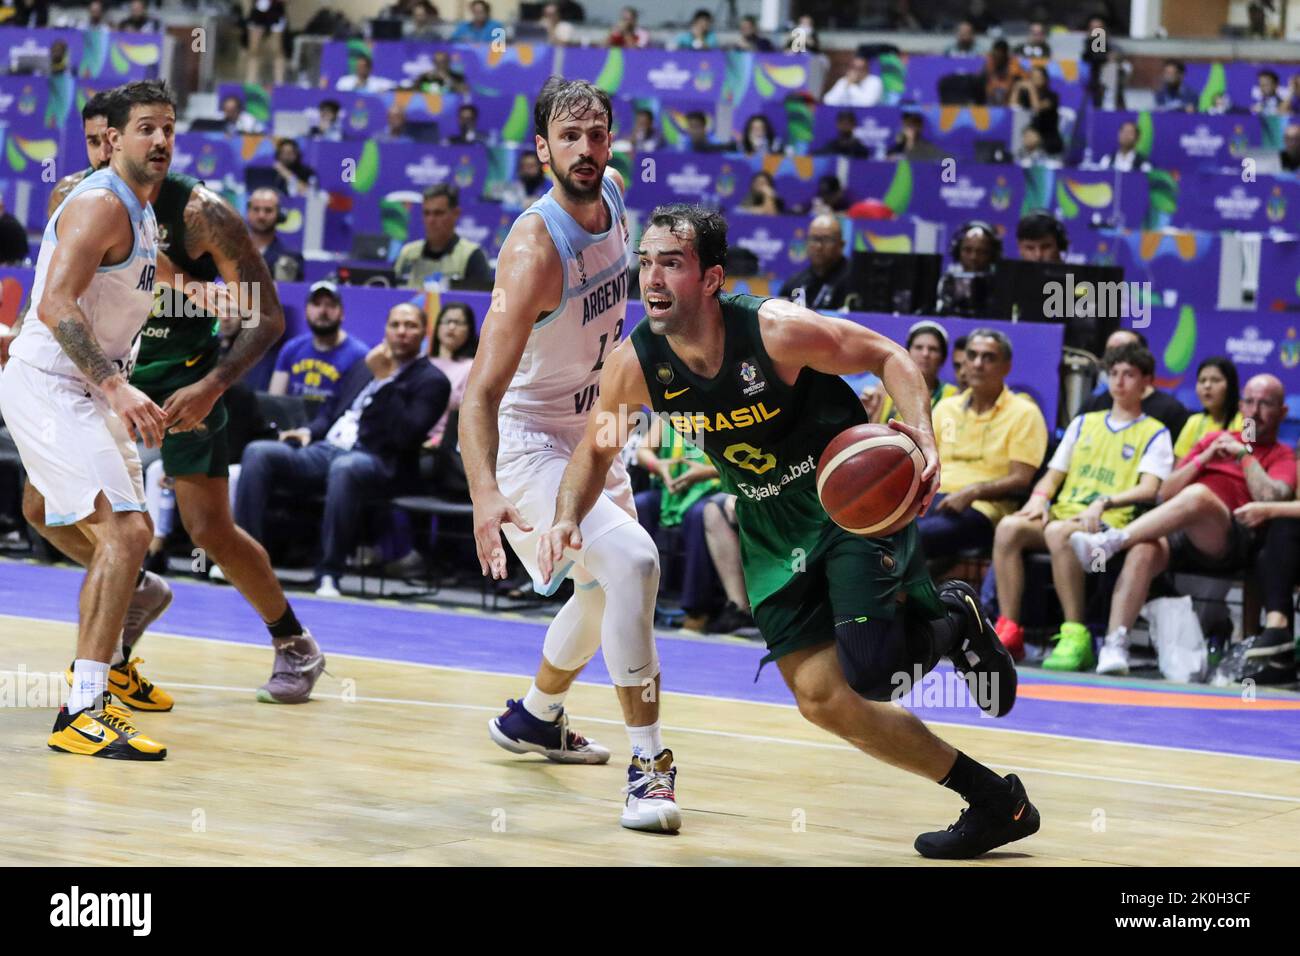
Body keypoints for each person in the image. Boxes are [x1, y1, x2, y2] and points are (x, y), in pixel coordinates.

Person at [539, 203, 1037, 858]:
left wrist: (922, 431)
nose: (653, 280)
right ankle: (997, 801)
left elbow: (888, 356)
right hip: (771, 527)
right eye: (646, 264)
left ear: (712, 278)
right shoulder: (637, 366)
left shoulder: (776, 331)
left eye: (672, 264)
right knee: (822, 699)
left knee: (872, 675)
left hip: (849, 504)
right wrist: (567, 516)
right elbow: (598, 447)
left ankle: (955, 616)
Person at [41, 87, 325, 708]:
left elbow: (268, 318)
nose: (102, 152)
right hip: (108, 381)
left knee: (208, 531)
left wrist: (212, 383)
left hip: (183, 383)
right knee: (43, 509)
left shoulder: (200, 212)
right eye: (92, 141)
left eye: (163, 130)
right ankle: (137, 584)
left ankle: (294, 641)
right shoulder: (75, 198)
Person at [460, 78, 681, 833]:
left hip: (598, 425)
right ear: (541, 148)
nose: (585, 149)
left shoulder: (616, 196)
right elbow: (480, 394)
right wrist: (486, 493)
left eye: (597, 133)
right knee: (635, 565)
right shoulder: (532, 249)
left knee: (598, 591)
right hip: (529, 436)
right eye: (569, 136)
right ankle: (649, 765)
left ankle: (535, 717)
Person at [0, 81, 175, 759]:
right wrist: (115, 386)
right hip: (54, 385)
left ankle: (125, 602)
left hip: (87, 388)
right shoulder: (102, 204)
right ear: (116, 139)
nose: (159, 141)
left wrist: (198, 291)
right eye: (145, 130)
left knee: (47, 511)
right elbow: (55, 304)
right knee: (126, 533)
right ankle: (84, 709)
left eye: (167, 128)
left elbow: (121, 286)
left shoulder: (142, 210)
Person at [1071, 375, 1296, 674]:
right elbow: (1164, 493)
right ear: (1241, 405)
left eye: (1265, 404)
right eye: (1250, 402)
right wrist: (1203, 458)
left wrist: (1243, 454)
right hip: (1181, 531)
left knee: (1199, 496)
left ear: (1282, 412)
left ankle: (1112, 541)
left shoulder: (1283, 455)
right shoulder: (1212, 440)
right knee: (1143, 550)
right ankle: (1116, 645)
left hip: (1231, 536)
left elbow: (1272, 496)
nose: (1255, 411)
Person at [236, 303, 450, 597]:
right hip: (327, 448)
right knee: (259, 452)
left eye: (410, 326)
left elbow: (404, 436)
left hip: (378, 460)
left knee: (346, 468)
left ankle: (328, 573)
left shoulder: (432, 381)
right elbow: (332, 410)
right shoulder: (364, 366)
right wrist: (309, 431)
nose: (402, 332)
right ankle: (246, 563)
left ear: (424, 333)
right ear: (385, 329)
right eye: (395, 325)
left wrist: (387, 380)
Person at [992, 344, 1173, 669]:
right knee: (1009, 527)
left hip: (1108, 523)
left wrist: (1103, 503)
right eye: (1114, 373)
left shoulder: (1155, 432)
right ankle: (1010, 628)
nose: (1119, 381)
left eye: (1129, 374)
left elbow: (1149, 489)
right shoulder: (1084, 423)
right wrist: (1038, 500)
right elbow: (1052, 476)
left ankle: (1076, 634)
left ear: (1146, 382)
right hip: (1065, 513)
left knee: (1060, 534)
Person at [918, 328, 1047, 576]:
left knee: (915, 537)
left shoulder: (1024, 413)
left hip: (984, 508)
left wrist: (972, 492)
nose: (978, 364)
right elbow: (924, 459)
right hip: (934, 498)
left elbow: (1021, 478)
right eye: (972, 355)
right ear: (963, 361)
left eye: (988, 357)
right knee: (880, 531)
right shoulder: (946, 408)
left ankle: (902, 607)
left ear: (1006, 367)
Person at [633, 416, 722, 630]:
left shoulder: (723, 408)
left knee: (698, 514)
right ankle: (637, 603)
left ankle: (697, 609)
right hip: (671, 489)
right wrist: (658, 465)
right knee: (640, 505)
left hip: (714, 486)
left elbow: (742, 461)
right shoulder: (669, 410)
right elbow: (643, 452)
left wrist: (706, 473)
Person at [269, 282, 369, 401]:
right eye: (316, 304)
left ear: (342, 313)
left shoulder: (359, 356)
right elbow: (274, 401)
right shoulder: (291, 349)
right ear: (306, 311)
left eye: (330, 305)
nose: (322, 311)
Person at [1082, 330, 1189, 439]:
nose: (1117, 358)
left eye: (1125, 350)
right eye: (1110, 352)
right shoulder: (1093, 404)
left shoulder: (1171, 411)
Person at [392, 184, 494, 289]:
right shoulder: (408, 253)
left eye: (438, 213)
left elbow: (479, 301)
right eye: (426, 213)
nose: (431, 220)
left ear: (455, 213)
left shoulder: (471, 255)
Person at [869, 320, 959, 423]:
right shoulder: (885, 389)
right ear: (907, 352)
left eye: (933, 349)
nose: (925, 354)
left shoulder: (953, 395)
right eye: (918, 347)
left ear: (943, 357)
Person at [778, 214, 856, 311]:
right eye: (814, 239)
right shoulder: (794, 283)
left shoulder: (856, 280)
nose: (818, 246)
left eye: (826, 240)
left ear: (841, 245)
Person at [427, 300, 478, 448]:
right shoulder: (423, 362)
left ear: (469, 330)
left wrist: (438, 441)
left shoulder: (471, 368)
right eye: (447, 321)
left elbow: (468, 418)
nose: (451, 327)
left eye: (458, 323)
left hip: (442, 444)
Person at [1174, 357, 1243, 459]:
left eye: (1215, 380)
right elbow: (1179, 467)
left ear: (1231, 385)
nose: (1207, 385)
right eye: (1202, 380)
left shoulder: (1249, 422)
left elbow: (1255, 456)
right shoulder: (1193, 422)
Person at [935, 221, 1000, 318]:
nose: (973, 257)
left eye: (981, 252)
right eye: (967, 250)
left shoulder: (1000, 285)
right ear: (957, 251)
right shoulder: (946, 281)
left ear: (992, 255)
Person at [246, 187, 304, 281]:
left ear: (279, 214)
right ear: (248, 212)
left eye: (268, 210)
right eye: (256, 209)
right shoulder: (230, 254)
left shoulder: (291, 258)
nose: (261, 216)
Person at [1011, 66, 1063, 156]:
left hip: (1049, 136)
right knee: (1025, 135)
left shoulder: (1052, 97)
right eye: (1032, 78)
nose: (1034, 81)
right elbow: (1013, 107)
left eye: (1037, 78)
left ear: (1045, 79)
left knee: (1031, 137)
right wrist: (1017, 88)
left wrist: (1031, 89)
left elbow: (1037, 108)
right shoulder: (1027, 97)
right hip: (1030, 132)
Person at [245, 0, 288, 87]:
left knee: (277, 50)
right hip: (258, 11)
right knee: (254, 51)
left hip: (276, 11)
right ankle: (250, 82)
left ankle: (279, 83)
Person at [981, 39, 1025, 107]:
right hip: (991, 95)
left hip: (1009, 95)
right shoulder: (989, 61)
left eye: (1000, 55)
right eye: (995, 55)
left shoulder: (1013, 63)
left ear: (1005, 54)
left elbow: (1022, 78)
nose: (997, 58)